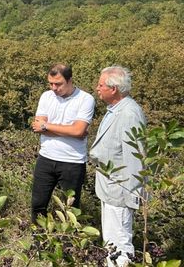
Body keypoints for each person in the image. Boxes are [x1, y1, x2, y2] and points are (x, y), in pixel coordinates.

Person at [90, 66, 146, 267]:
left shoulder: (129, 113)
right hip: (111, 188)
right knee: (111, 241)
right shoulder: (116, 110)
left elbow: (136, 157)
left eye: (101, 85)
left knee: (120, 242)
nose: (97, 88)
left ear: (113, 89)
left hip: (120, 190)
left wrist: (133, 195)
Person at [30, 64, 95, 222]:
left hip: (72, 161)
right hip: (46, 158)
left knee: (70, 209)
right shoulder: (46, 96)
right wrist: (72, 131)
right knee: (38, 204)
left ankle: (69, 245)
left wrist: (47, 127)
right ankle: (39, 242)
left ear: (70, 80)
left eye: (58, 84)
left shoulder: (85, 99)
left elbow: (79, 131)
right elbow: (37, 126)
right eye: (51, 83)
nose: (54, 88)